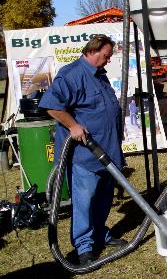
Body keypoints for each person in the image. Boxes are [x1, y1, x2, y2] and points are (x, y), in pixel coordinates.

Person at [39, 34, 126, 265]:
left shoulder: (100, 76)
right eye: (106, 56)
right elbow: (51, 105)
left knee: (103, 198)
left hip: (108, 153)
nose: (108, 60)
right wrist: (73, 125)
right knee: (85, 200)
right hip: (85, 155)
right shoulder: (73, 74)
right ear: (92, 51)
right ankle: (84, 246)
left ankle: (99, 234)